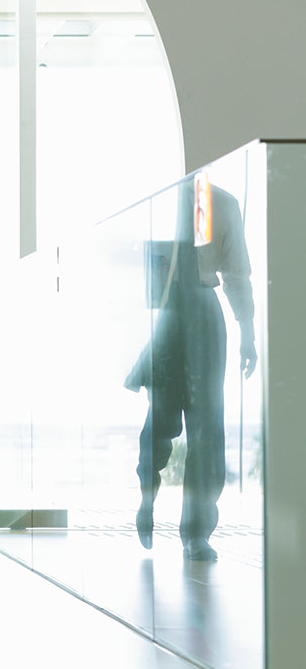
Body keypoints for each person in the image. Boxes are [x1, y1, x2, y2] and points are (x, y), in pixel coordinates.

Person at [125, 178, 256, 562]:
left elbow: (236, 274)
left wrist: (247, 330)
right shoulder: (162, 199)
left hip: (198, 308)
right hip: (172, 312)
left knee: (206, 428)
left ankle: (196, 532)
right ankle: (148, 495)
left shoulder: (220, 202)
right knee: (164, 418)